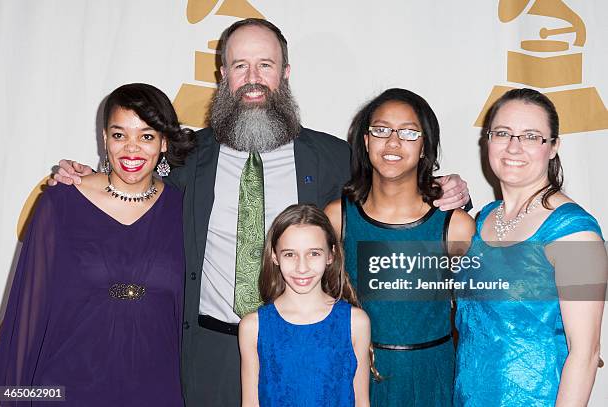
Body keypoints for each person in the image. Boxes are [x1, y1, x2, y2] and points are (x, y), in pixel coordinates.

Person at [50, 18, 471, 406]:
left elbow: (389, 186)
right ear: (223, 76)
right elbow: (132, 178)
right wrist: (85, 176)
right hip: (208, 351)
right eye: (240, 66)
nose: (253, 80)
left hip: (302, 352)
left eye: (265, 65)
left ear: (285, 74)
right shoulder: (186, 156)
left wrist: (447, 189)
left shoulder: (332, 157)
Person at [0, 83, 195, 406]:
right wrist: (12, 396)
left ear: (163, 143)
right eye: (120, 135)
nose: (132, 149)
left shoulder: (183, 209)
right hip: (67, 390)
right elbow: (27, 315)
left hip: (158, 390)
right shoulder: (62, 201)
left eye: (146, 136)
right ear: (104, 139)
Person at [454, 88, 607, 406]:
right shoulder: (483, 219)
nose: (513, 147)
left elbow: (586, 354)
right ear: (488, 140)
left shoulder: (574, 231)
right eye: (503, 133)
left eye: (531, 136)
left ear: (553, 147)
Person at [325, 88, 475, 406]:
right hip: (356, 375)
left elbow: (484, 312)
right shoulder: (337, 217)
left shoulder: (455, 226)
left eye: (408, 132)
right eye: (380, 130)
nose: (393, 143)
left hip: (432, 378)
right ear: (366, 142)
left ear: (424, 146)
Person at [238, 204, 371, 406]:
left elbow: (362, 401)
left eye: (314, 254)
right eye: (290, 254)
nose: (302, 267)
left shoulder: (356, 322)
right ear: (274, 256)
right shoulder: (253, 327)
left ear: (330, 255)